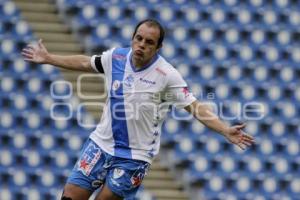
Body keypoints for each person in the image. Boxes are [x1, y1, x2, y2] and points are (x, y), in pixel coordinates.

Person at [22, 19, 255, 200]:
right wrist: (49, 58)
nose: (141, 45)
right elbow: (86, 62)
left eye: (149, 42)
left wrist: (225, 130)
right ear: (133, 38)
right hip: (100, 144)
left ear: (159, 47)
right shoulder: (116, 57)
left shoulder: (167, 75)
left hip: (135, 157)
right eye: (138, 38)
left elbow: (194, 106)